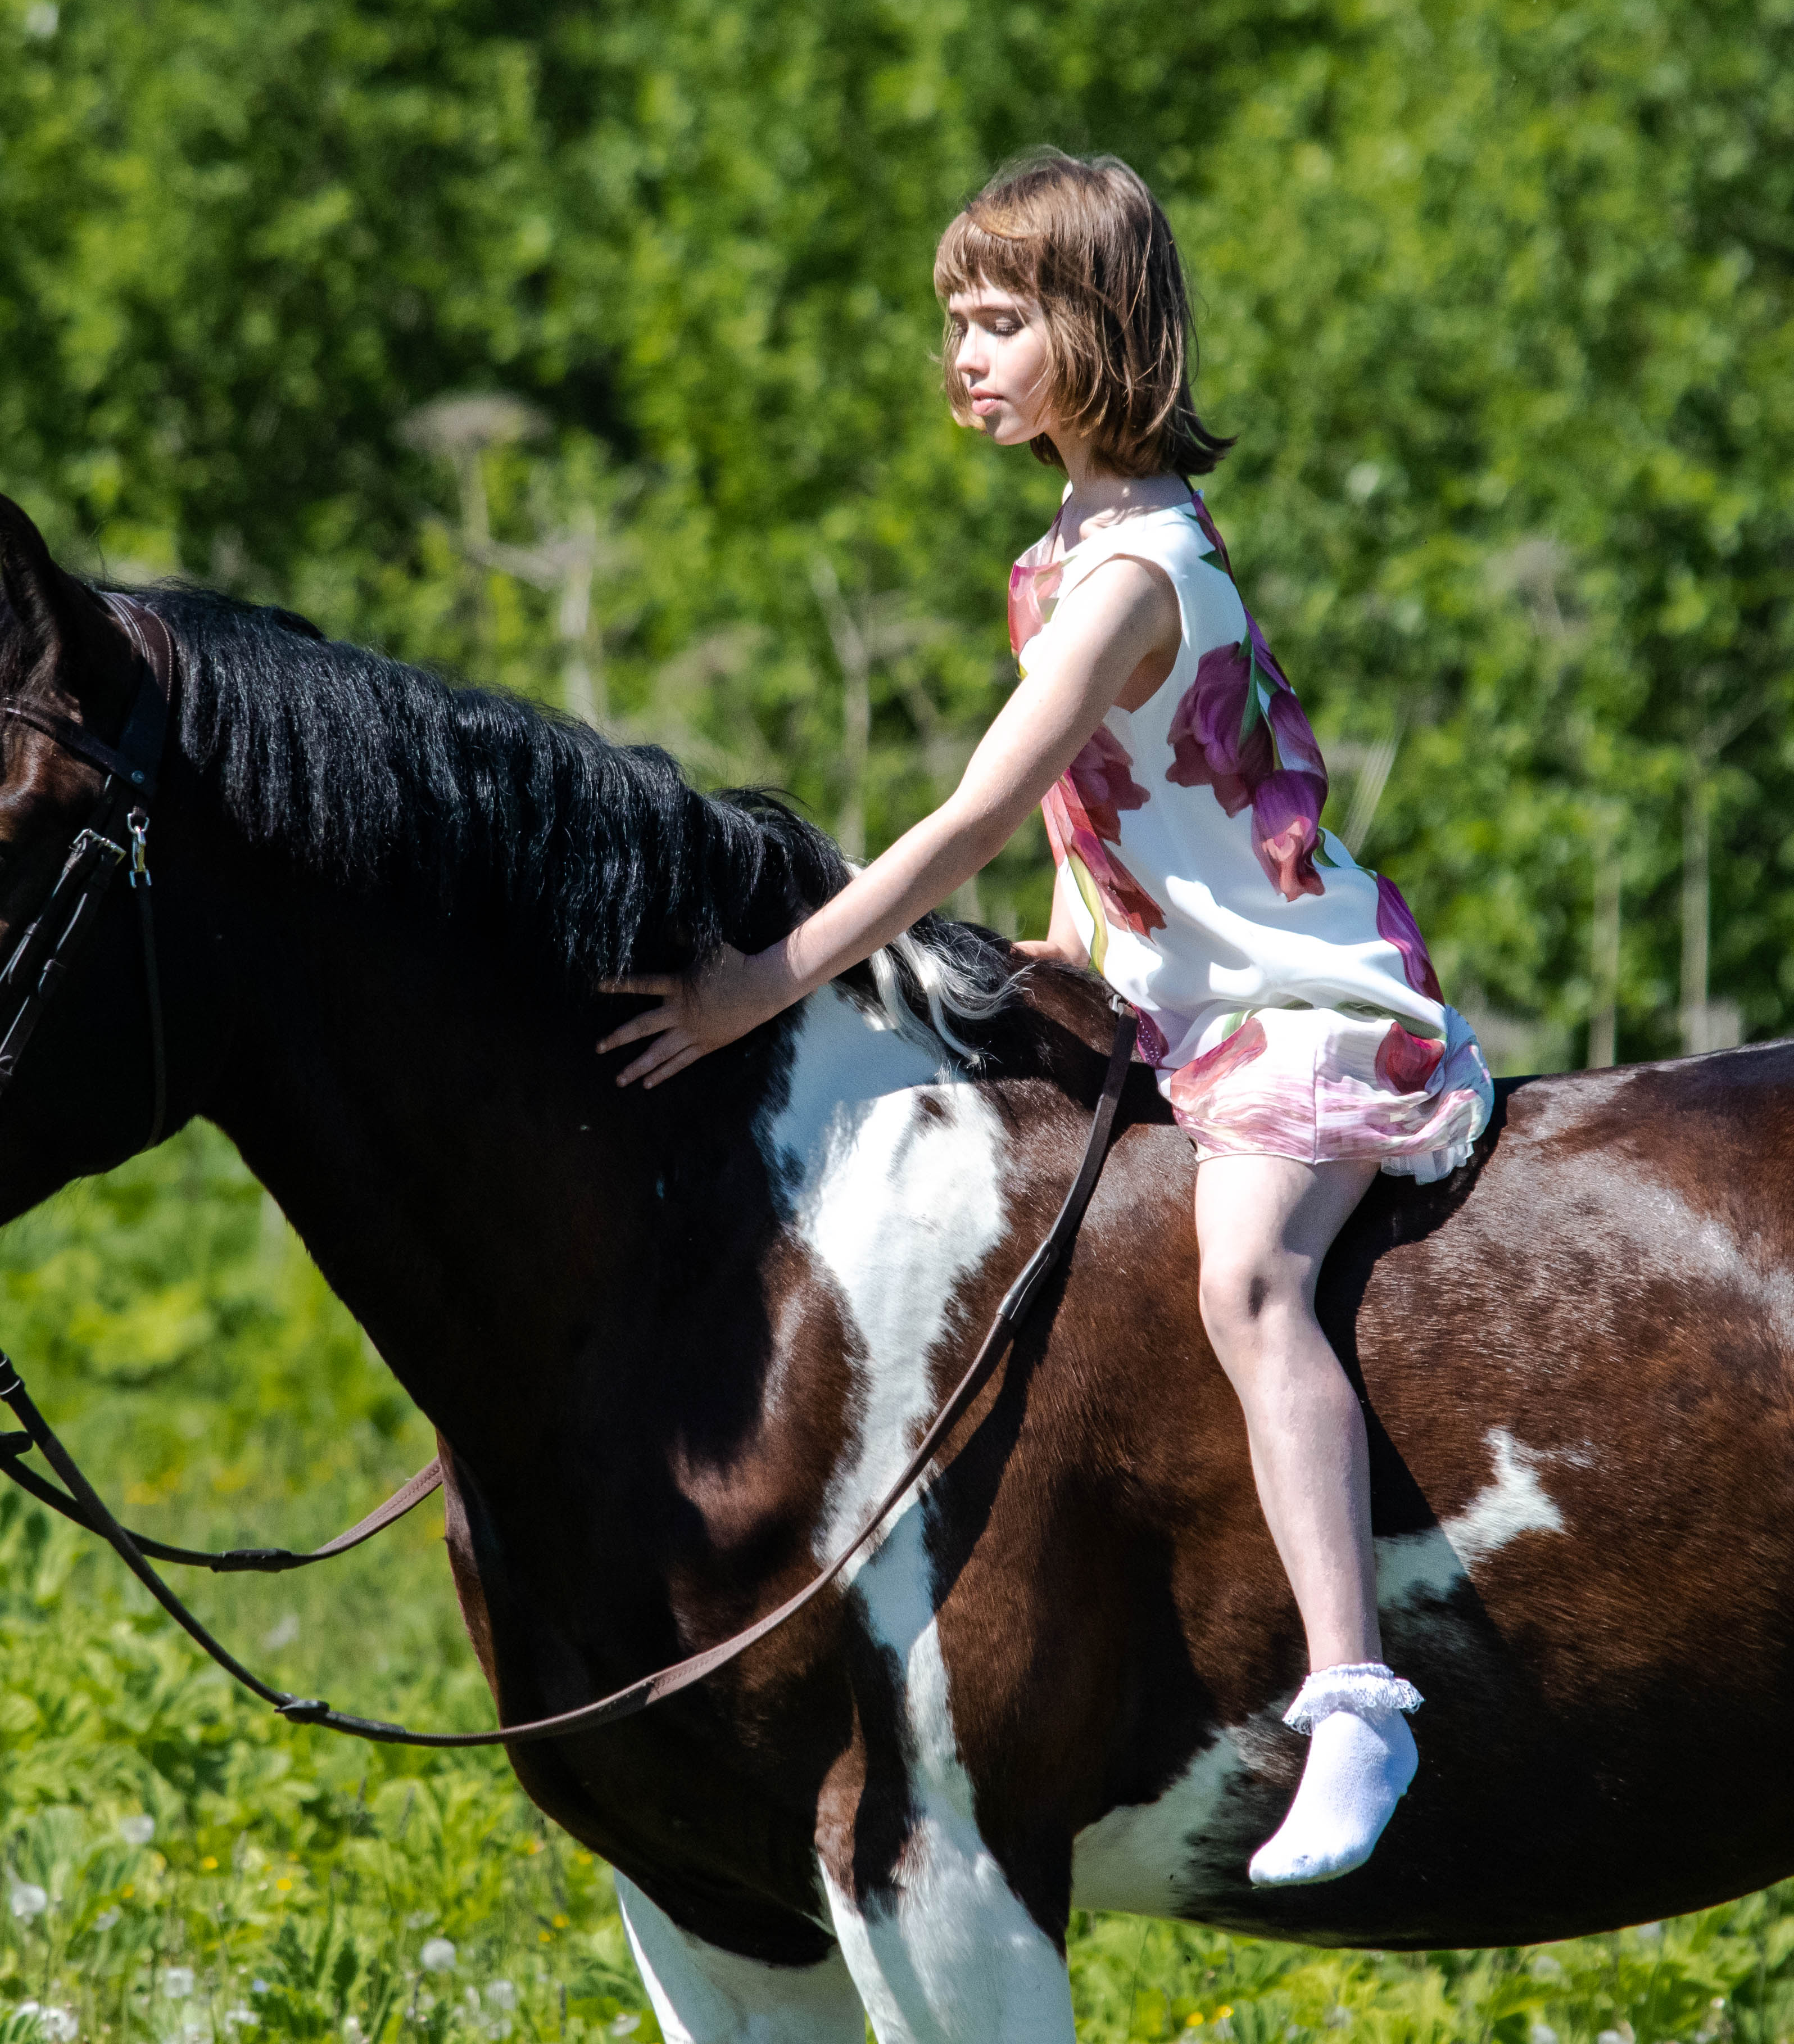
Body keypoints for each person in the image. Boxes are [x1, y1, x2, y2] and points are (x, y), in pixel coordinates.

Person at [596, 150, 1494, 1886]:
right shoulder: (1062, 546)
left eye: (1004, 318)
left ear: (1105, 327)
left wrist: (763, 985)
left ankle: (1357, 1697)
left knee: (1248, 1270)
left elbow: (974, 816)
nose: (968, 352)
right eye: (956, 320)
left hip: (1293, 996)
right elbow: (1104, 835)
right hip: (1160, 992)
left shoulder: (1136, 573)